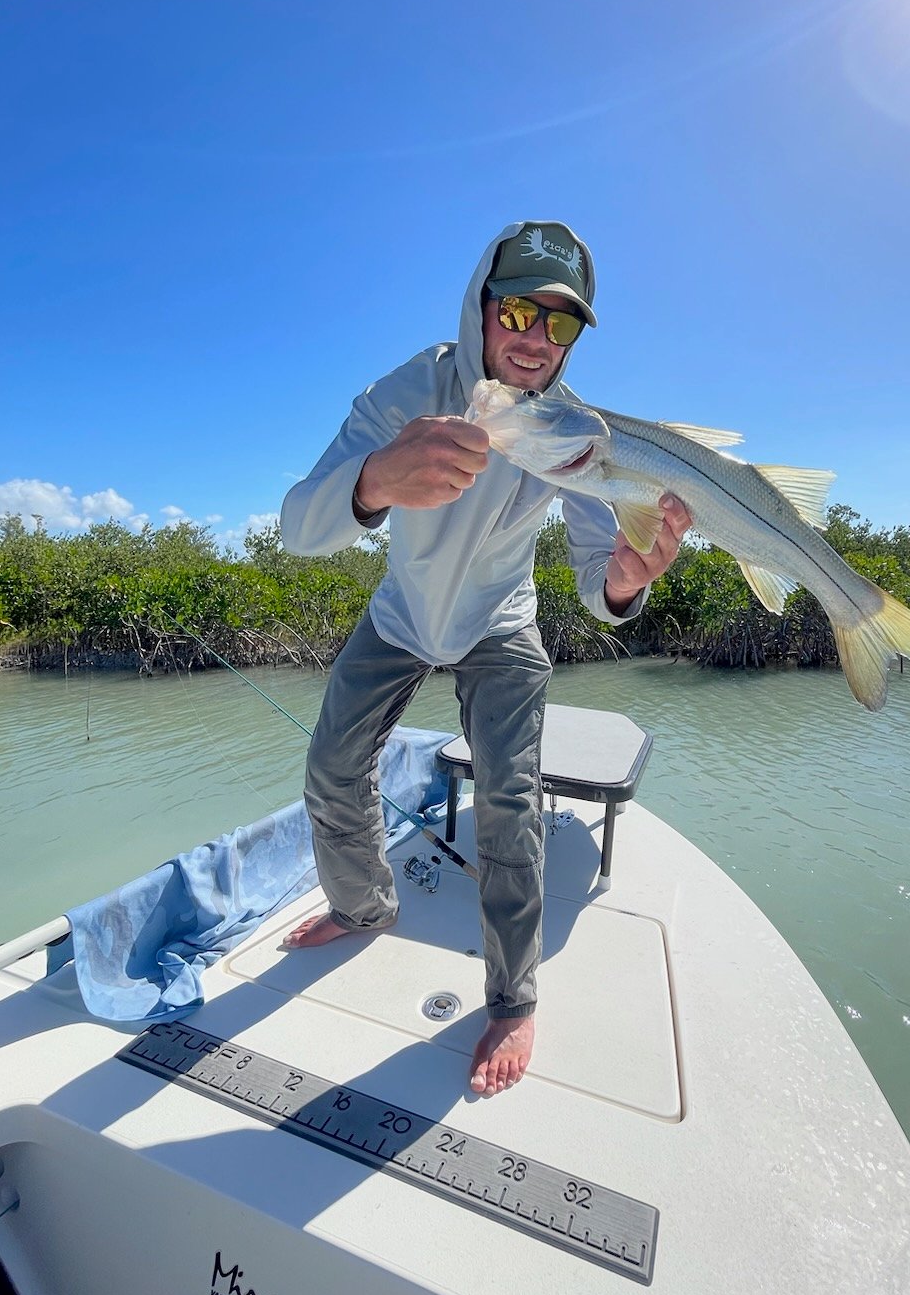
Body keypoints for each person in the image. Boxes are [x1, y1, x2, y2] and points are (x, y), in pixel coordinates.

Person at [278, 222, 690, 1097]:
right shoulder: (412, 388)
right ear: (480, 305)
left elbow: (597, 579)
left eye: (561, 325)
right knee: (331, 767)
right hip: (400, 614)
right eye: (517, 310)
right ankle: (361, 907)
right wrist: (373, 483)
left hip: (501, 623)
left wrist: (622, 584)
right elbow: (296, 524)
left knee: (510, 803)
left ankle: (512, 999)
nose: (535, 340)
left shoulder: (577, 432)